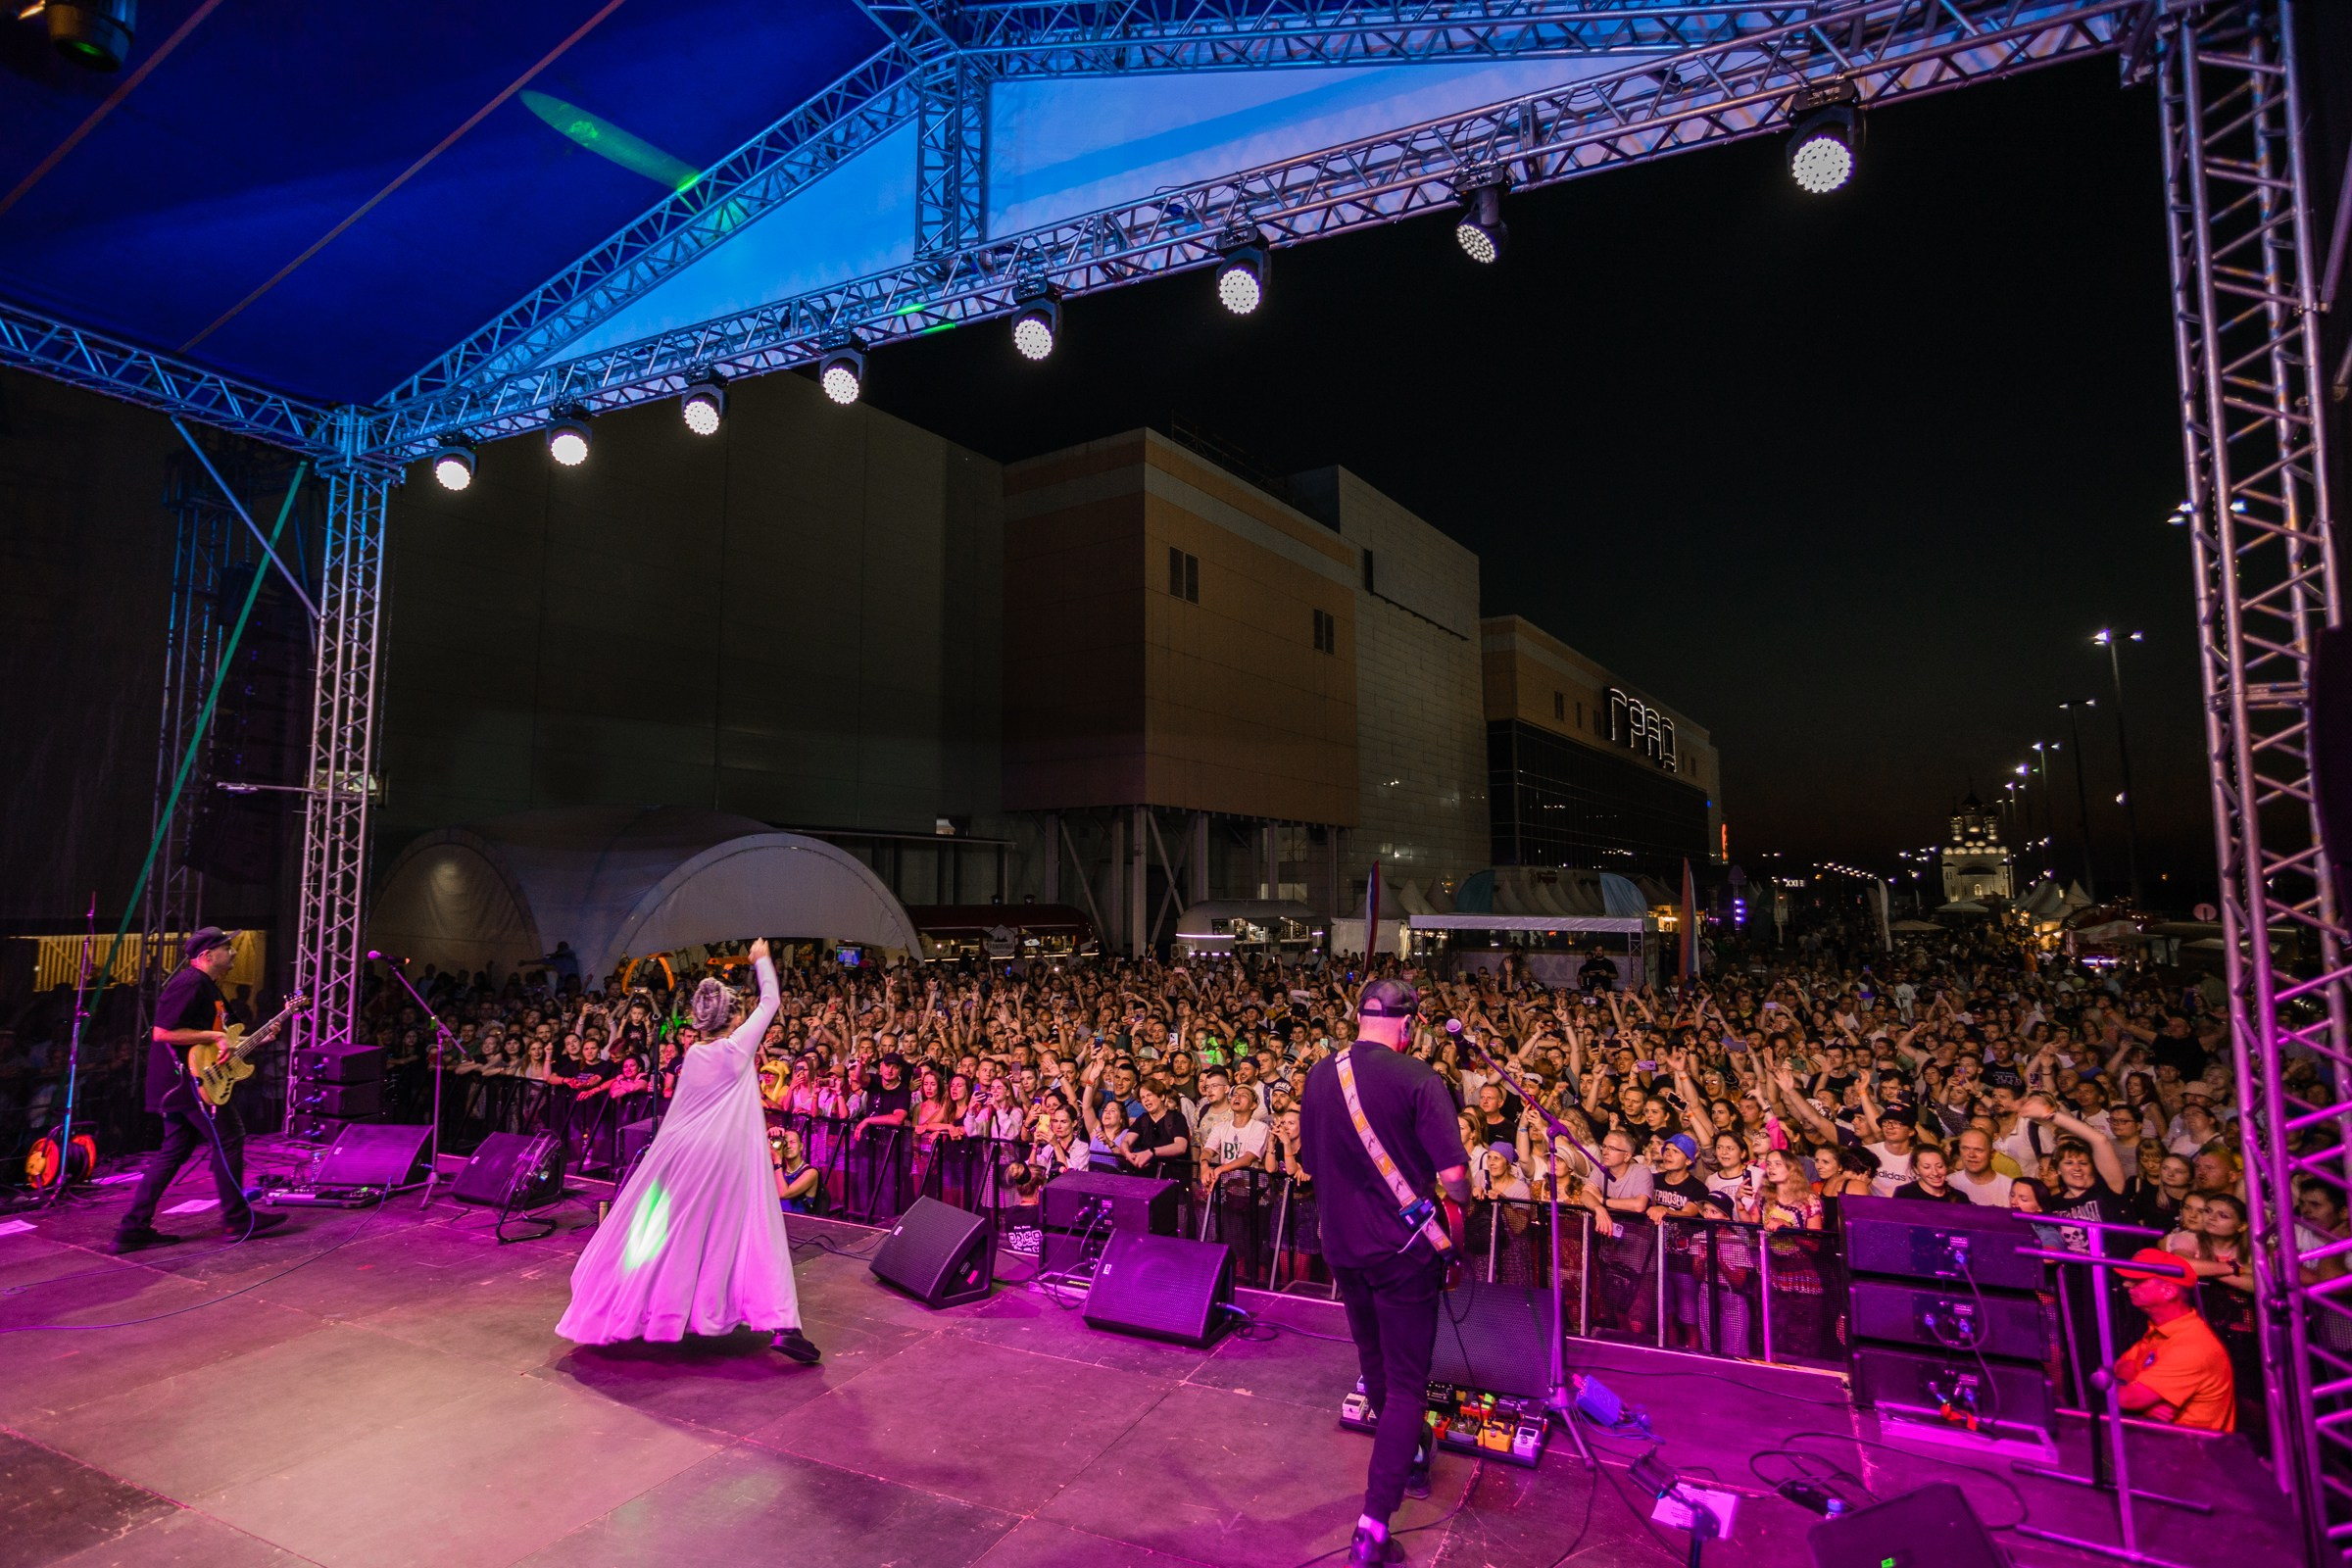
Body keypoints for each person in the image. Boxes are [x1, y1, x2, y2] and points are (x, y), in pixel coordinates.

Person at [556, 940, 820, 1363]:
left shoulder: (694, 1055)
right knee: (750, 1231)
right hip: (727, 1157)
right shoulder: (736, 1050)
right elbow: (771, 1000)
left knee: (680, 1235)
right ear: (732, 1016)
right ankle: (781, 1322)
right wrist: (761, 960)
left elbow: (683, 1112)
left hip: (685, 1156)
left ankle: (655, 1311)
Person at [1299, 978, 1470, 1568]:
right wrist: (1463, 1200)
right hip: (1403, 1254)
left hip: (1342, 1249)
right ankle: (1374, 1524)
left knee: (1373, 1365)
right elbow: (1453, 1177)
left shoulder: (1320, 1075)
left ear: (1360, 1017)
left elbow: (1309, 1161)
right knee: (1404, 1385)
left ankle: (1412, 1455)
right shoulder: (1421, 1079)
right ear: (1411, 1024)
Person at [115, 927, 291, 1252]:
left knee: (174, 1151)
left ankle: (132, 1228)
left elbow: (225, 1039)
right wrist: (214, 1038)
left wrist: (259, 1038)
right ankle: (237, 1219)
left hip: (187, 1083)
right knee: (230, 1137)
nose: (235, 953)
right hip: (189, 1083)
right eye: (228, 948)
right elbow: (161, 1033)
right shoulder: (189, 983)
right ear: (207, 956)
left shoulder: (211, 989)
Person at [2112, 1248, 2235, 1431]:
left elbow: (2127, 1399)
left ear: (2169, 1291)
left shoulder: (2191, 1346)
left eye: (2137, 1281)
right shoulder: (2162, 1330)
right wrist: (2146, 1404)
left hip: (2194, 1453)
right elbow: (2120, 1368)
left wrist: (2134, 1396)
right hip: (2167, 1446)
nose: (2126, 1285)